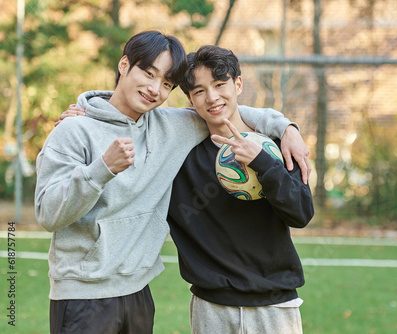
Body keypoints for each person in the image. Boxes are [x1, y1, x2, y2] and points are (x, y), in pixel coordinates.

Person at [37, 31, 310, 334]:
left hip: (138, 292)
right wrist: (101, 168)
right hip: (82, 295)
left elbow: (221, 111)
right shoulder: (74, 130)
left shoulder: (172, 127)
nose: (155, 89)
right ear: (124, 65)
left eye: (166, 83)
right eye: (148, 73)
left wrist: (285, 126)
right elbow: (48, 214)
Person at [167, 45, 314, 334]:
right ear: (189, 99)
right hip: (212, 307)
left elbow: (301, 213)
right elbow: (133, 118)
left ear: (238, 84)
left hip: (275, 306)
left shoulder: (276, 143)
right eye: (199, 91)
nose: (212, 97)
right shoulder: (178, 154)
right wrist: (85, 113)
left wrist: (262, 162)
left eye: (220, 85)